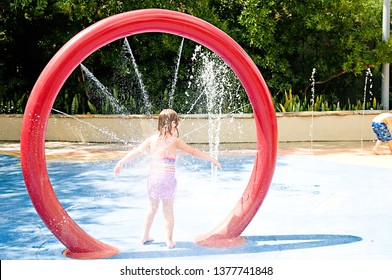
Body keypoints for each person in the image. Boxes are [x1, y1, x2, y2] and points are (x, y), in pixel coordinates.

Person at [114, 109, 221, 249]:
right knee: (168, 209)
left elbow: (137, 152)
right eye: (176, 123)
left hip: (153, 178)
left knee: (152, 208)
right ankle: (169, 241)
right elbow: (193, 151)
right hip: (167, 179)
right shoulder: (175, 141)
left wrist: (121, 162)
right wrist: (211, 159)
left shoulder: (151, 140)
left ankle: (144, 236)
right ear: (173, 124)